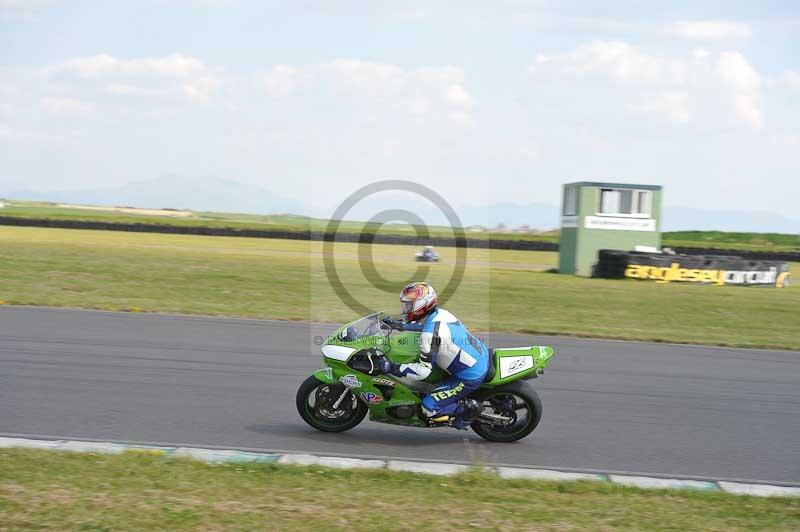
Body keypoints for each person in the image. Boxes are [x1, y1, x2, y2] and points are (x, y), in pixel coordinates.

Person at [377, 282, 487, 429]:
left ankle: (468, 409)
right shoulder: (441, 314)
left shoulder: (429, 336)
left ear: (421, 305)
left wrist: (392, 367)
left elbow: (423, 371)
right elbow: (424, 325)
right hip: (478, 354)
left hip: (468, 375)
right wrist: (399, 325)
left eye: (409, 305)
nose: (405, 309)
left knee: (429, 407)